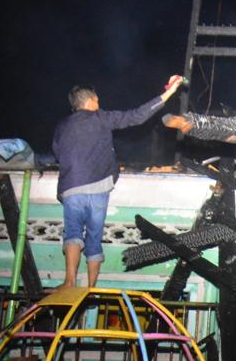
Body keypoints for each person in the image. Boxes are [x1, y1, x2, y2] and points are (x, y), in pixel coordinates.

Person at [52, 77, 182, 288]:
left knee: (73, 233)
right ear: (92, 100)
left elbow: (58, 153)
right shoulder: (101, 117)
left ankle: (69, 281)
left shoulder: (62, 126)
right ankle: (91, 288)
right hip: (100, 187)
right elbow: (137, 116)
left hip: (72, 188)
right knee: (94, 238)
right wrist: (168, 93)